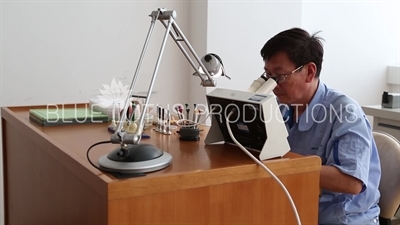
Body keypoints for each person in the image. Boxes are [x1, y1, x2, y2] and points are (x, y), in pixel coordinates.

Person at [259, 28, 381, 224]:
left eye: (280, 76)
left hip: (341, 219)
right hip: (298, 209)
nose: (273, 85)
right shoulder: (283, 107)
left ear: (309, 71)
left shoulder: (345, 112)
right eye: (268, 76)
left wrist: (283, 166)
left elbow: (351, 182)